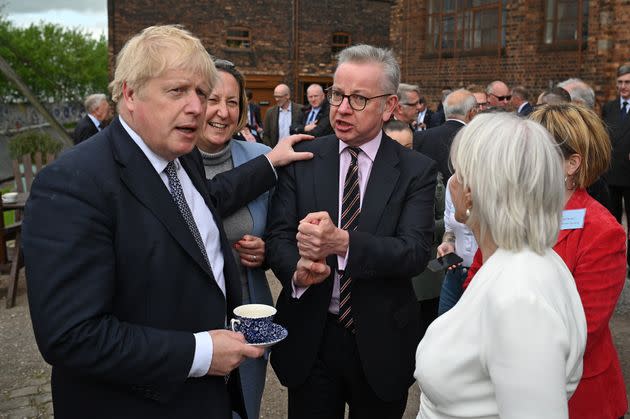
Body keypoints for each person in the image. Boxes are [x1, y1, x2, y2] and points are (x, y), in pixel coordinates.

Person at [22, 25, 312, 419]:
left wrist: (270, 161)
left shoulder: (181, 158)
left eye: (201, 93)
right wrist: (203, 353)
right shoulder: (74, 184)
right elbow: (71, 336)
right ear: (129, 93)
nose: (197, 107)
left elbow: (208, 202)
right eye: (177, 91)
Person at [265, 44, 437, 418]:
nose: (342, 108)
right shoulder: (304, 159)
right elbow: (277, 236)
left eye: (359, 99)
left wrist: (342, 243)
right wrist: (296, 271)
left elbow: (414, 251)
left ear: (389, 106)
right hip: (313, 337)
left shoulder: (415, 170)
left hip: (381, 341)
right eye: (337, 95)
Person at [415, 112, 587, 419]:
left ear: (469, 194)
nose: (451, 180)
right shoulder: (524, 262)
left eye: (456, 172)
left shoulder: (519, 298)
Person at [528, 104, 627, 419]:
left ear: (572, 164)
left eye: (536, 152)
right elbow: (477, 281)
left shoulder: (602, 232)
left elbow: (581, 329)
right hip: (512, 383)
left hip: (577, 394)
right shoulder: (515, 214)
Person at [198, 58, 276, 419]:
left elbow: (281, 230)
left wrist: (267, 250)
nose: (222, 112)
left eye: (233, 102)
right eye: (213, 99)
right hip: (193, 316)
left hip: (248, 311)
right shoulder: (171, 160)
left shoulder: (261, 158)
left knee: (246, 407)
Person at [602, 63, 630, 270]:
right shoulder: (609, 107)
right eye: (620, 82)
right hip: (611, 174)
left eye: (627, 82)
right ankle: (612, 261)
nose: (623, 86)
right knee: (611, 221)